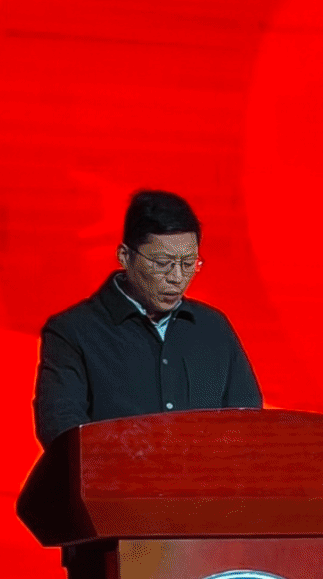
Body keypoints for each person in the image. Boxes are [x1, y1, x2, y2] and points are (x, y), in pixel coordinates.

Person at [33, 189, 262, 447]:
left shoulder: (213, 328)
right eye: (163, 263)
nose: (177, 277)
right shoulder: (72, 332)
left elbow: (248, 424)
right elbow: (61, 429)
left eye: (188, 264)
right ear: (125, 256)